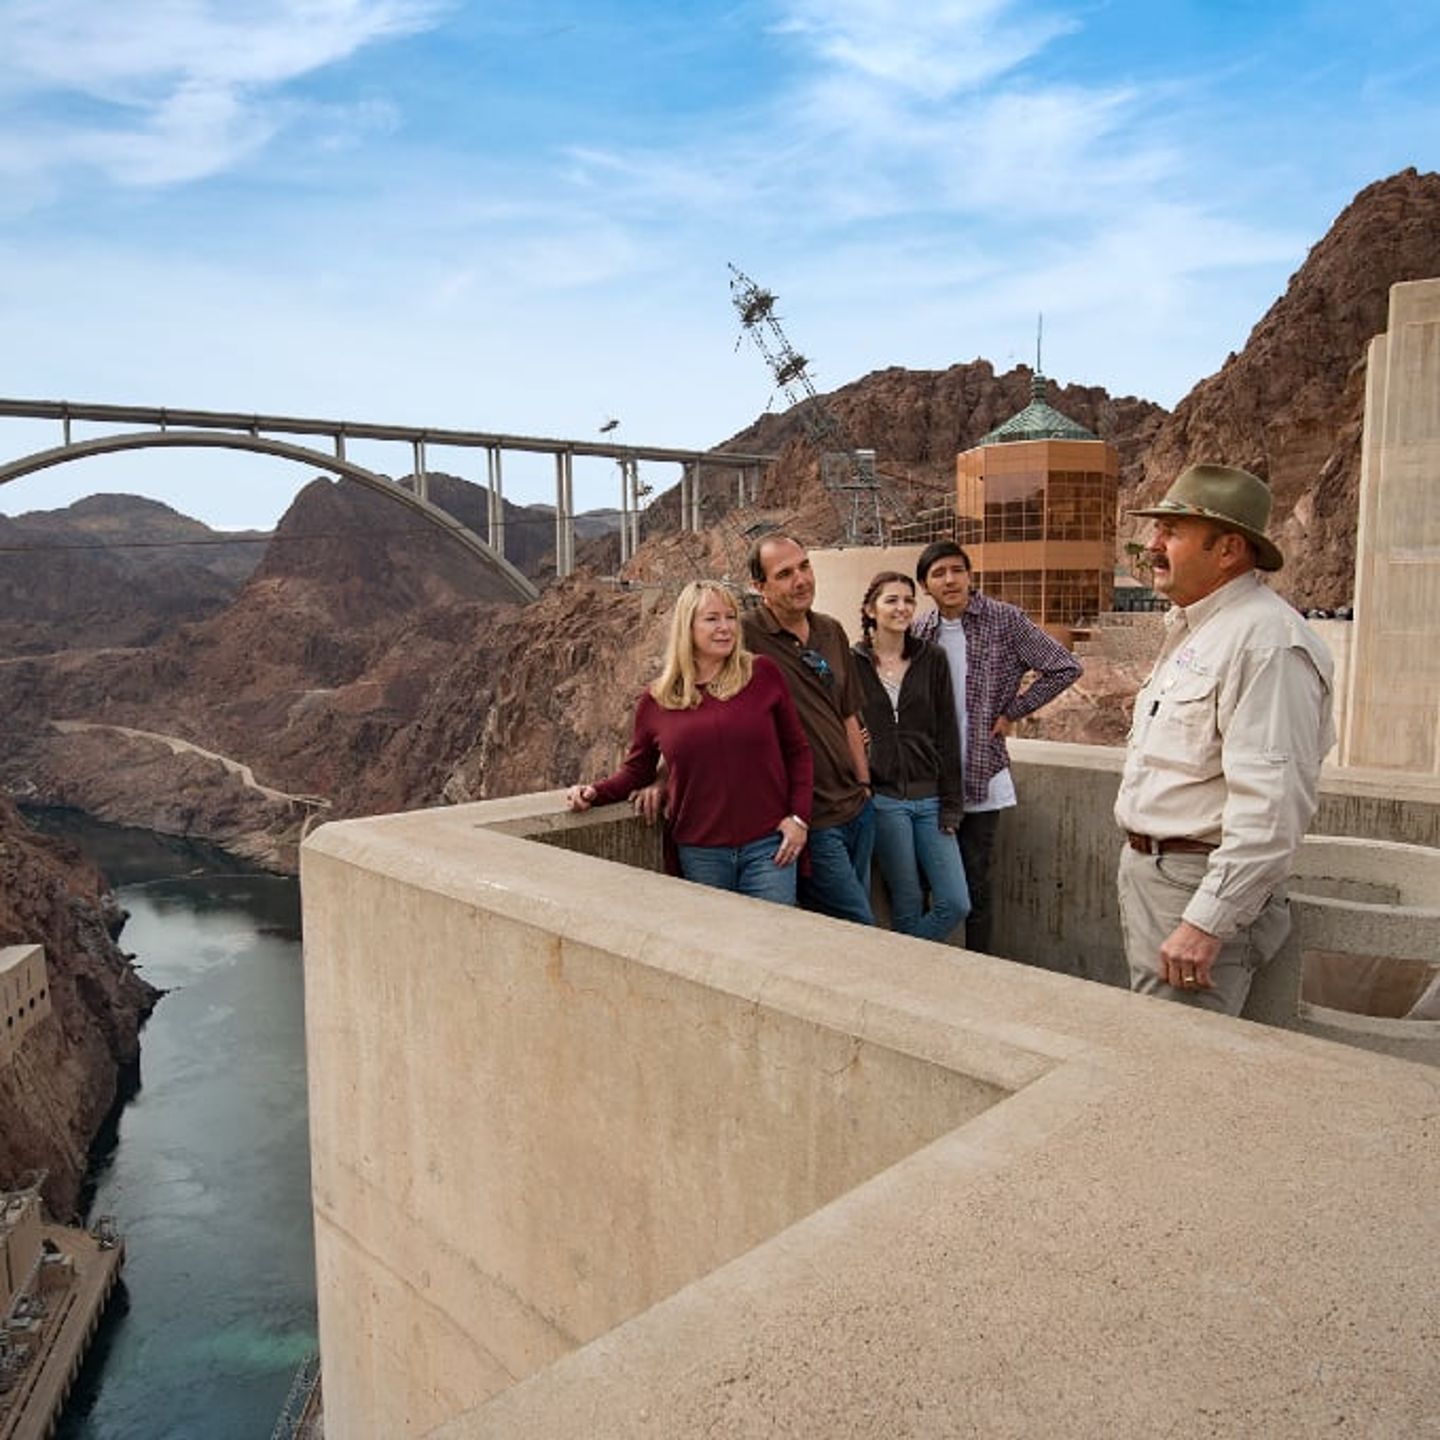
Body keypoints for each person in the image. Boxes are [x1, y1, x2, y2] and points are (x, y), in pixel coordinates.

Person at [1115, 463, 1334, 1014]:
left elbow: (1273, 806)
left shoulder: (1268, 644)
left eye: (1173, 531)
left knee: (1181, 1071)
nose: (1154, 544)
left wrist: (1205, 921)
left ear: (1229, 550)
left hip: (1196, 890)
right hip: (1158, 880)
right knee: (1162, 1052)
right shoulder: (1199, 629)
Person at [566, 580, 812, 905]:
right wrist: (594, 792)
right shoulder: (657, 700)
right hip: (701, 853)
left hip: (769, 848)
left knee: (771, 948)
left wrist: (799, 819)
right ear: (688, 627)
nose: (725, 628)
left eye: (730, 617)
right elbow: (636, 771)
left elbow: (798, 752)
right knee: (712, 950)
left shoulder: (762, 674)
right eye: (712, 619)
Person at [912, 541, 1081, 952]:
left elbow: (1064, 666)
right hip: (931, 779)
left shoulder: (1004, 620)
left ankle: (979, 969)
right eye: (938, 574)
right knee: (924, 881)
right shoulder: (919, 630)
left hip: (983, 774)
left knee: (977, 881)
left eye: (957, 570)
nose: (949, 580)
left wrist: (1014, 711)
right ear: (925, 586)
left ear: (971, 576)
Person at [742, 533, 875, 925]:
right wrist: (661, 774)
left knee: (834, 933)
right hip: (810, 820)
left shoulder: (830, 630)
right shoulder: (746, 637)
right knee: (860, 926)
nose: (801, 580)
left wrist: (865, 785)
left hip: (857, 809)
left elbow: (847, 712)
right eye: (784, 574)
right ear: (759, 586)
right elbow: (692, 701)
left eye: (804, 566)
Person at [852, 571, 970, 942]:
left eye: (908, 600)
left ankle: (903, 961)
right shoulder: (854, 663)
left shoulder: (931, 658)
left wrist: (952, 805)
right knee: (906, 901)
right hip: (885, 801)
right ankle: (910, 982)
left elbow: (948, 734)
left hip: (931, 799)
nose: (901, 608)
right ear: (871, 609)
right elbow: (838, 719)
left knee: (954, 901)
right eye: (891, 600)